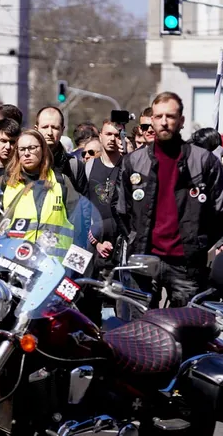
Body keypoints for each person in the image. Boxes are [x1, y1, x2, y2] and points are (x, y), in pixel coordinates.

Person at [115, 92, 223, 311]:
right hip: (144, 258)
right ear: (151, 121)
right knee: (142, 325)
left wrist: (199, 243)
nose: (164, 122)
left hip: (186, 263)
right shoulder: (134, 162)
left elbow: (220, 209)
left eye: (170, 116)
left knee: (185, 325)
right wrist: (135, 239)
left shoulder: (203, 161)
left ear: (181, 120)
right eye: (159, 116)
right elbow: (123, 209)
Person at [0, 130, 80, 262]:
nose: (27, 153)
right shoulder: (5, 183)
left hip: (53, 266)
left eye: (32, 148)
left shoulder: (62, 182)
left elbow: (79, 226)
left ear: (43, 150)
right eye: (22, 149)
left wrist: (75, 267)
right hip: (13, 263)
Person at [86, 121, 124, 323]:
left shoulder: (128, 166)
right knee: (91, 301)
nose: (112, 139)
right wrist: (96, 242)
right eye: (108, 134)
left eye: (117, 135)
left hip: (122, 247)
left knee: (120, 304)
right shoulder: (89, 167)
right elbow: (81, 209)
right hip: (93, 246)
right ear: (100, 136)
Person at [36, 106, 88, 195]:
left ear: (62, 130)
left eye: (55, 128)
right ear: (36, 129)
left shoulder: (74, 165)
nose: (49, 132)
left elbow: (82, 201)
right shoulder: (24, 162)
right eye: (45, 127)